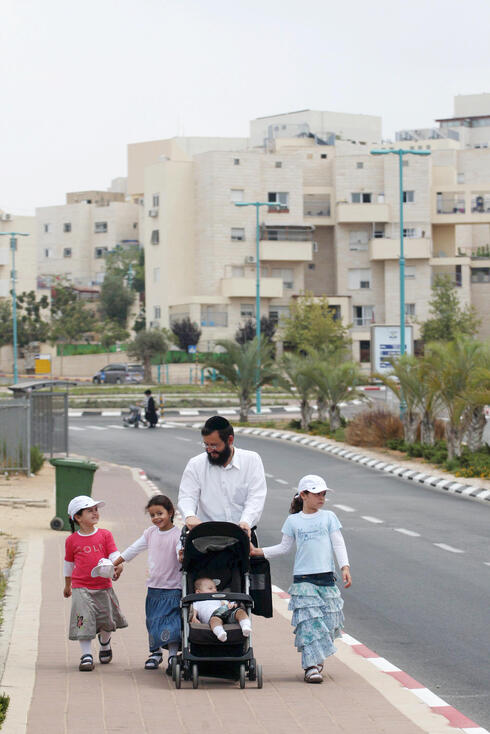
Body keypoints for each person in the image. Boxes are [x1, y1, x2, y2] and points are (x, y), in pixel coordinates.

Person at [251, 474, 352, 684]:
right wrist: (258, 551)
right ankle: (311, 666)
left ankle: (318, 654)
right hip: (304, 581)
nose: (321, 498)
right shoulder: (293, 521)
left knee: (330, 622)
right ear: (304, 495)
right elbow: (284, 547)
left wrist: (345, 566)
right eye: (317, 494)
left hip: (326, 579)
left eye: (323, 494)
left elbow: (338, 543)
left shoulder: (329, 517)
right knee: (309, 624)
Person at [113, 495, 181, 674]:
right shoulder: (150, 533)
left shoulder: (178, 535)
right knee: (153, 621)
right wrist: (116, 562)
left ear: (171, 512)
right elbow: (134, 549)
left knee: (172, 623)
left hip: (173, 588)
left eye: (160, 513)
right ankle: (155, 653)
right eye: (152, 515)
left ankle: (173, 655)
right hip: (154, 588)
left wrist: (183, 554)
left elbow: (180, 554)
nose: (156, 518)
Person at [63, 496, 127, 672]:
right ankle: (86, 655)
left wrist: (118, 563)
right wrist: (67, 585)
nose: (95, 513)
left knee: (106, 620)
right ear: (77, 517)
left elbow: (113, 553)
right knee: (83, 619)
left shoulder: (105, 535)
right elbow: (68, 565)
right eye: (89, 510)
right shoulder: (72, 541)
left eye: (96, 509)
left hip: (103, 586)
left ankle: (105, 643)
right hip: (80, 587)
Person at [178, 415, 267, 540]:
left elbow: (256, 497)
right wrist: (189, 515)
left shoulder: (251, 460)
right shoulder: (196, 464)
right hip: (207, 538)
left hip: (242, 535)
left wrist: (246, 521)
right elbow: (187, 496)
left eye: (214, 445)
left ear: (230, 440)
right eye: (206, 445)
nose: (209, 450)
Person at [191, 577, 251, 641]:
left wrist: (231, 604)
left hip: (224, 610)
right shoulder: (197, 601)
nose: (214, 590)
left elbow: (225, 603)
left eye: (215, 588)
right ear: (198, 592)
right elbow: (194, 610)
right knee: (214, 621)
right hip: (213, 616)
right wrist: (194, 617)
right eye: (210, 588)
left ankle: (245, 626)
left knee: (240, 611)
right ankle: (220, 632)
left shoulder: (218, 597)